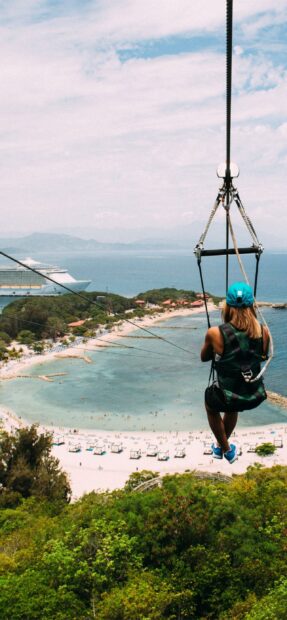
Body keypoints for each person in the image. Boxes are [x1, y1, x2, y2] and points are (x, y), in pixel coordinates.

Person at [201, 282, 269, 464]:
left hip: (227, 395)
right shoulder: (264, 332)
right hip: (252, 395)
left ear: (227, 307)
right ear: (252, 306)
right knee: (232, 406)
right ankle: (219, 448)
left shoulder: (215, 333)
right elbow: (261, 356)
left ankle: (226, 450)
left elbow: (204, 357)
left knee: (210, 405)